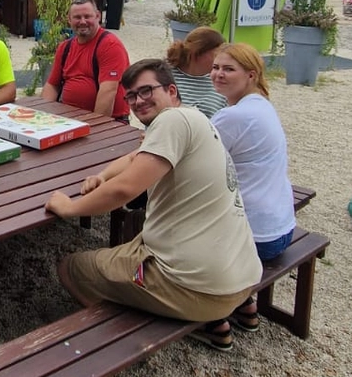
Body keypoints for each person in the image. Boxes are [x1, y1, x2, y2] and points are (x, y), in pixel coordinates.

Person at [45, 58, 261, 351]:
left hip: (199, 288)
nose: (138, 101)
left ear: (172, 91)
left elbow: (124, 190)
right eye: (131, 96)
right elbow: (136, 157)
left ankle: (144, 329)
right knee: (132, 244)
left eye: (147, 91)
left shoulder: (171, 121)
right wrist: (101, 175)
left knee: (73, 267)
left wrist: (68, 208)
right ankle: (206, 314)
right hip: (241, 275)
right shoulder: (193, 118)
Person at [210, 43, 296, 331]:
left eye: (228, 69)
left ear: (251, 75)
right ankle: (245, 304)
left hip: (256, 237)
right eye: (216, 67)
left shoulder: (234, 116)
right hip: (281, 226)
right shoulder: (261, 105)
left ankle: (212, 315)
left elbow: (190, 161)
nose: (218, 74)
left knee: (173, 225)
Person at [41, 0, 130, 119]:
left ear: (98, 16)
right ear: (69, 20)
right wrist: (44, 115)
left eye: (87, 16)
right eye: (77, 17)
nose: (82, 22)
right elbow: (52, 85)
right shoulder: (65, 48)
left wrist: (94, 127)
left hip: (109, 122)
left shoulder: (109, 45)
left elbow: (108, 91)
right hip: (68, 117)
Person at [165, 26, 226, 117]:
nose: (220, 59)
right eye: (216, 54)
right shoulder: (164, 75)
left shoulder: (221, 81)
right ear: (197, 52)